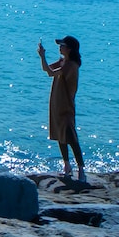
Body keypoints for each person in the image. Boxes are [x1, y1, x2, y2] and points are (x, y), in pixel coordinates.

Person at [38, 35, 85, 183]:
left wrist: (43, 56)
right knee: (60, 135)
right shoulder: (63, 61)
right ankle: (67, 165)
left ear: (69, 49)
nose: (60, 47)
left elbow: (51, 73)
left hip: (66, 105)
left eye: (62, 45)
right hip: (57, 103)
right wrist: (42, 57)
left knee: (71, 137)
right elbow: (46, 69)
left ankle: (81, 169)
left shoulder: (71, 65)